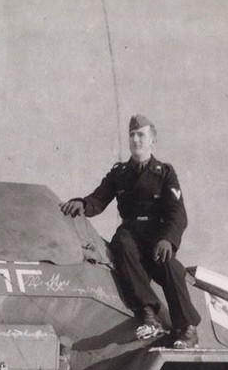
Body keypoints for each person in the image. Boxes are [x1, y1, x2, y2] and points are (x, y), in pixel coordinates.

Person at [60, 114, 200, 348]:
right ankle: (148, 315)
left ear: (152, 139)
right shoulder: (120, 173)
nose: (136, 140)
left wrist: (168, 239)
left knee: (172, 268)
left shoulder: (164, 173)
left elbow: (178, 212)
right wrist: (82, 204)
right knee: (122, 243)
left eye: (141, 135)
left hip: (157, 237)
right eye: (132, 135)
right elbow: (99, 198)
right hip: (131, 235)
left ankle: (187, 328)